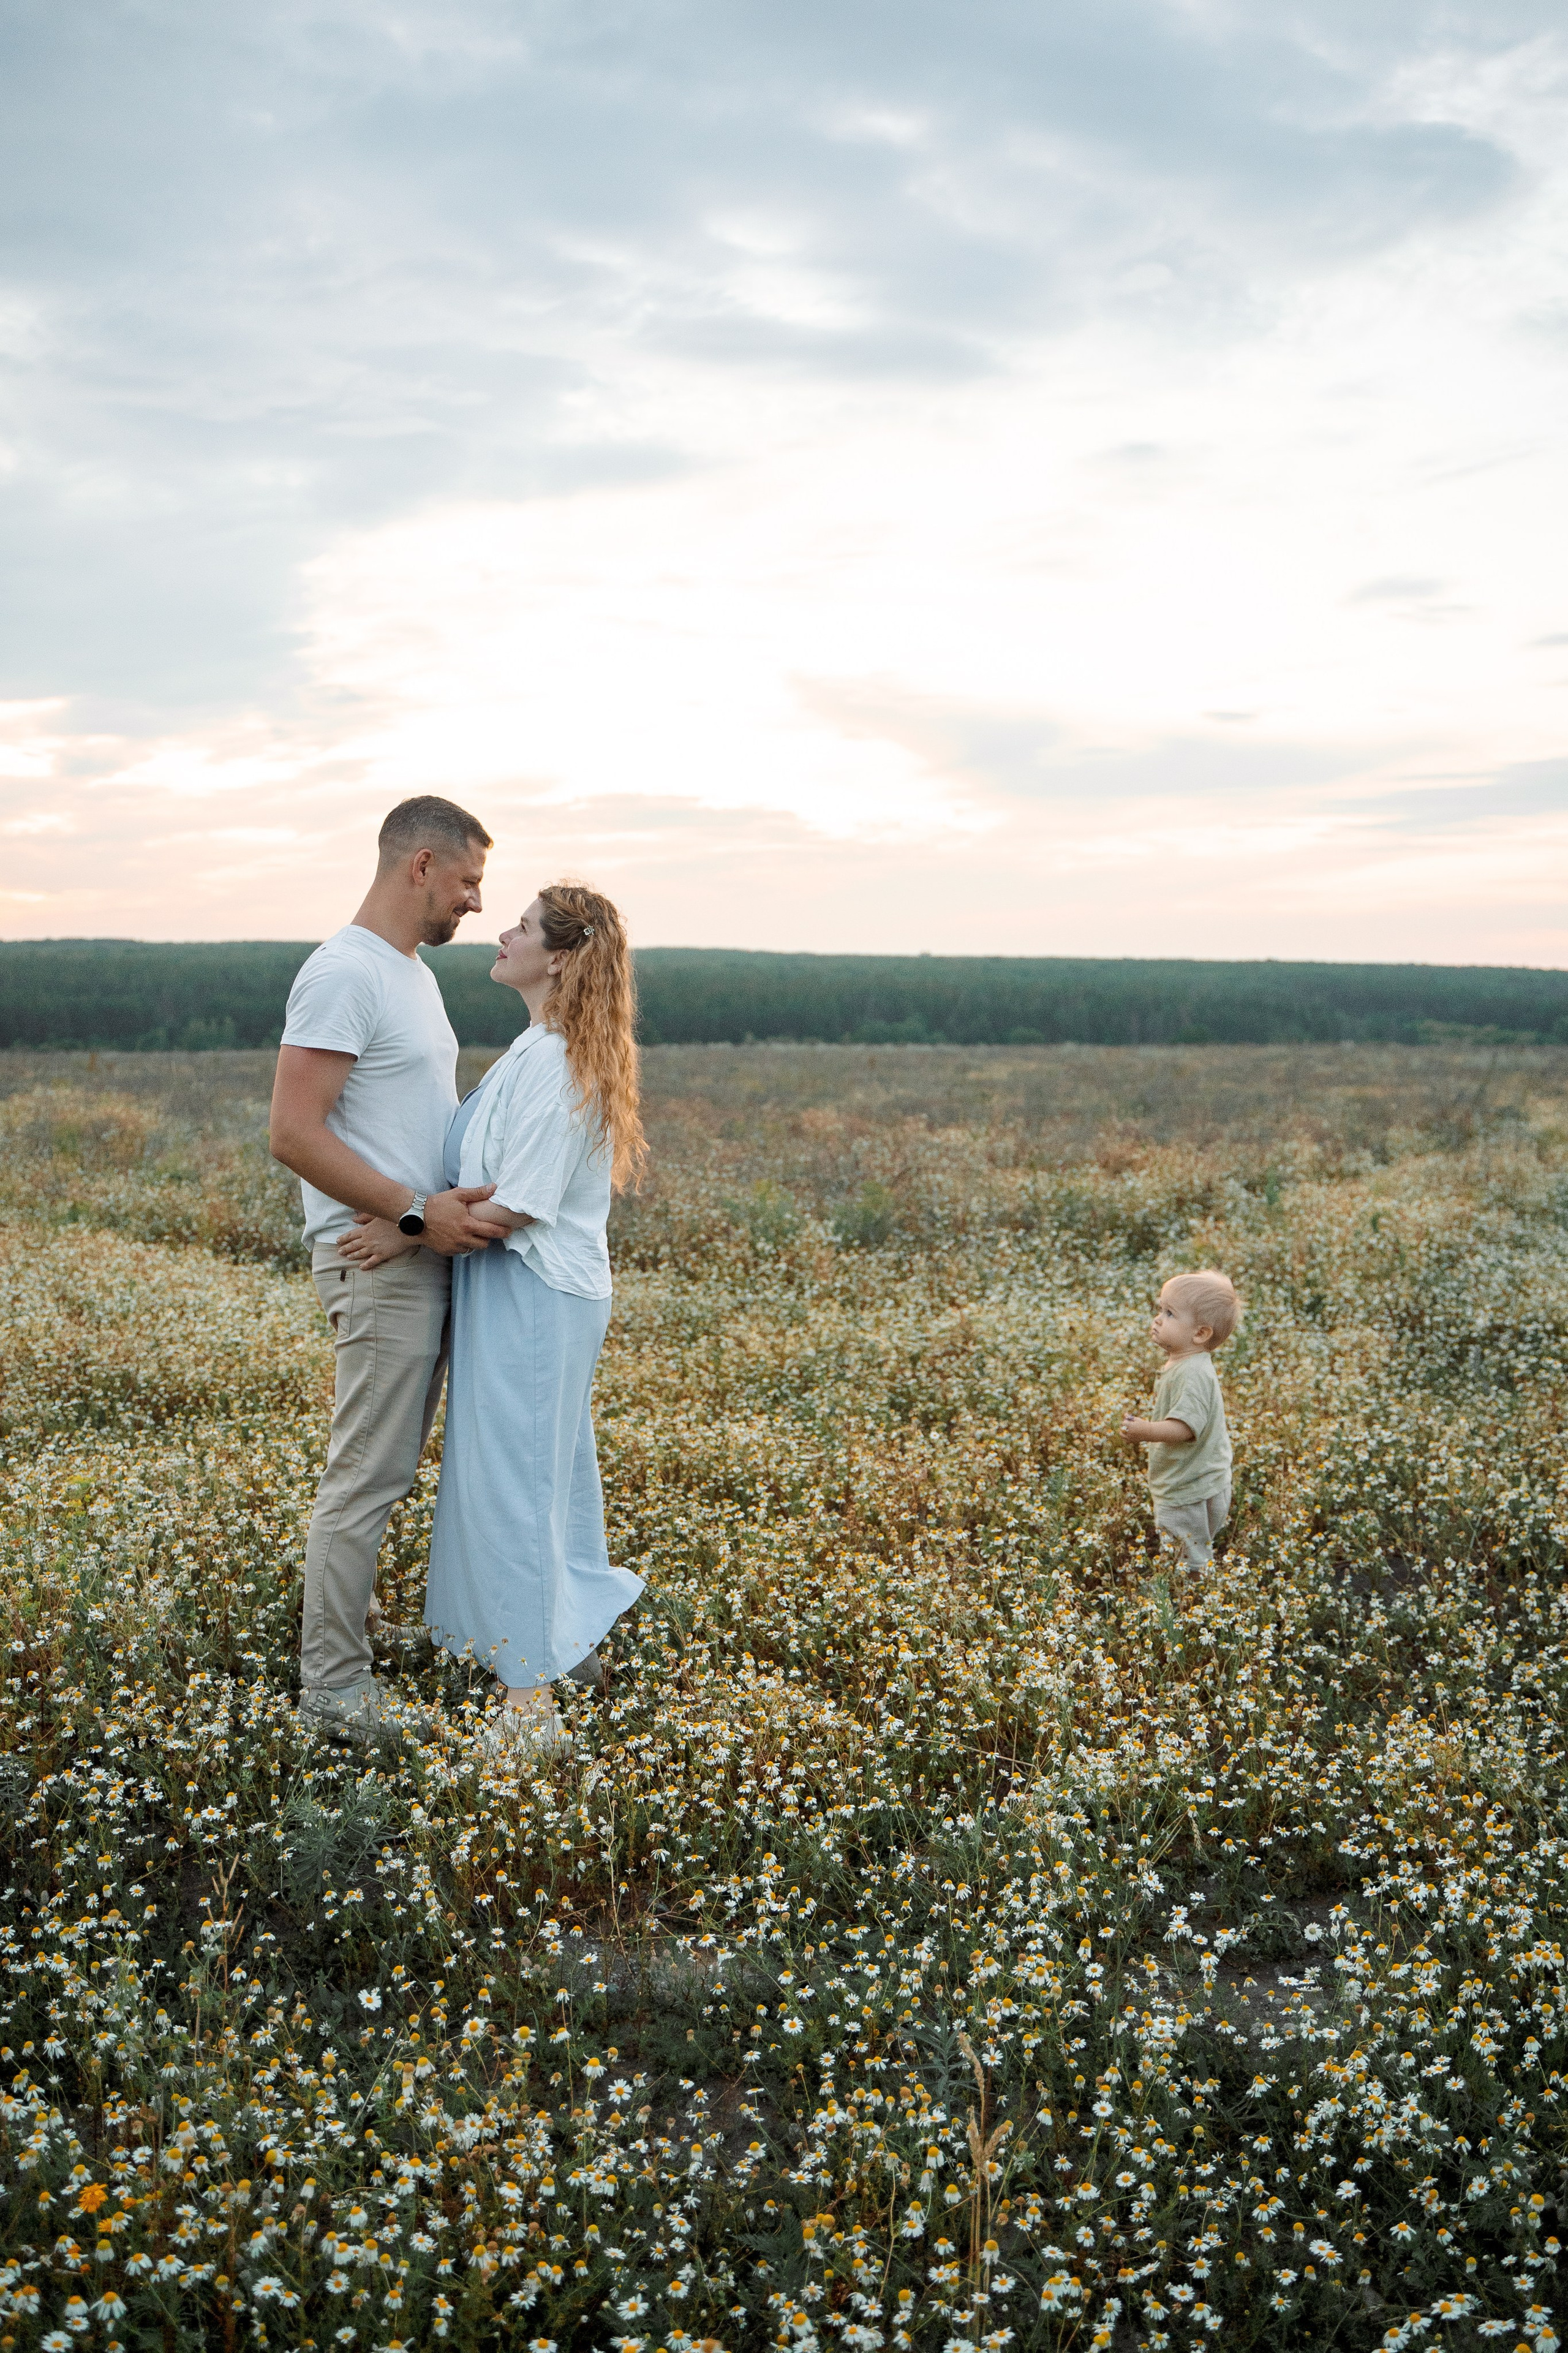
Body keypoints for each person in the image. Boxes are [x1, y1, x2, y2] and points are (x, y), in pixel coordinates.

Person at [338, 881, 647, 1756]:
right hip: (518, 1291)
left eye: (519, 926)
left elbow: (516, 1204)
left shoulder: (558, 1063)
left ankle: (529, 1710)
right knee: (538, 1476)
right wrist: (422, 1214)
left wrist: (407, 1230)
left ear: (559, 956)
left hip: (535, 1292)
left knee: (518, 1484)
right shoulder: (537, 1048)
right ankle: (564, 1645)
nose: (498, 932)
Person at [269, 794, 506, 1746]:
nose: (477, 903)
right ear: (420, 866)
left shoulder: (409, 974)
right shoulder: (344, 974)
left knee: (387, 1469)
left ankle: (357, 1629)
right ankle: (333, 1690)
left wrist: (425, 1219)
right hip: (375, 1262)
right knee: (366, 1476)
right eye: (468, 881)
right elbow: (291, 1131)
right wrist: (410, 1214)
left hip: (411, 1251)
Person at [1120, 1269, 1240, 1570]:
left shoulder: (1192, 1374)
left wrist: (1144, 1431)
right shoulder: (1189, 1362)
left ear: (1200, 1333)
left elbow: (1185, 1429)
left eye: (1170, 1313)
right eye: (1161, 1310)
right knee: (1197, 1544)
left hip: (1187, 1489)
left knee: (1188, 1560)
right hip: (1205, 1479)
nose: (1158, 1319)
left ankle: (1193, 1599)